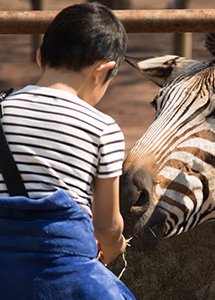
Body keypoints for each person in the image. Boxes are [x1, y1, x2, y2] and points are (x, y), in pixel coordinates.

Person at [0, 2, 135, 299]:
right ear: (103, 71)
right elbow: (107, 225)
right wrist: (115, 247)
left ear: (40, 57)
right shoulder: (103, 129)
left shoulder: (2, 109)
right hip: (61, 272)